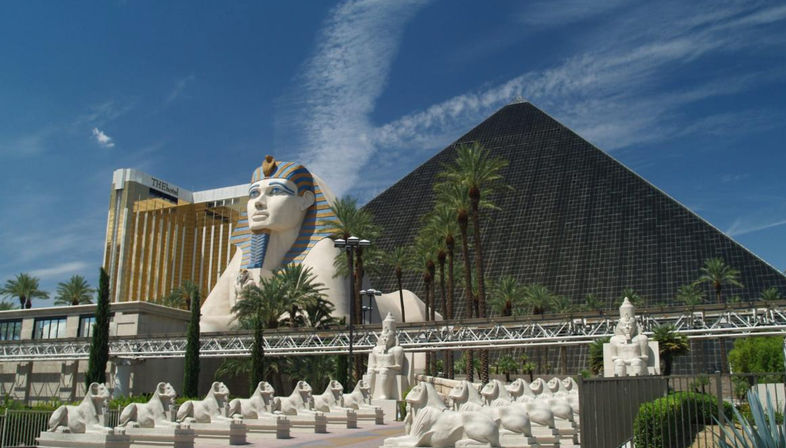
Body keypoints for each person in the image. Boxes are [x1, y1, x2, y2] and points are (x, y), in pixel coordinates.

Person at [608, 298, 650, 376]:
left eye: (630, 325)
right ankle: (619, 384)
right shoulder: (614, 339)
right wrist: (623, 360)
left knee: (636, 363)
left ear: (635, 326)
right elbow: (613, 357)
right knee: (619, 363)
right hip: (621, 361)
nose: (627, 327)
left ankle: (637, 383)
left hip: (637, 362)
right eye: (624, 325)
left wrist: (635, 358)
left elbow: (645, 357)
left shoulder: (642, 338)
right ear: (620, 327)